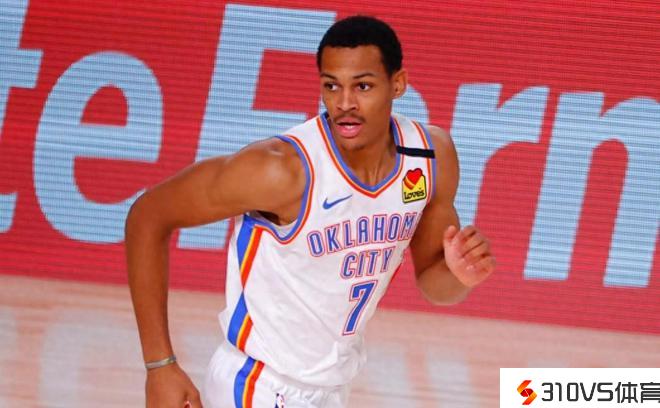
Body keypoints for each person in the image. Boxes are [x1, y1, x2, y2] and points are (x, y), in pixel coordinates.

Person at [126, 15, 495, 408]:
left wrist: (460, 275)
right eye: (331, 86)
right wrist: (159, 365)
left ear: (398, 84)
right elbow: (148, 216)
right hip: (258, 385)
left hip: (332, 390)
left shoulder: (428, 156)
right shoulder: (281, 170)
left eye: (363, 86)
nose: (345, 103)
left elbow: (435, 285)